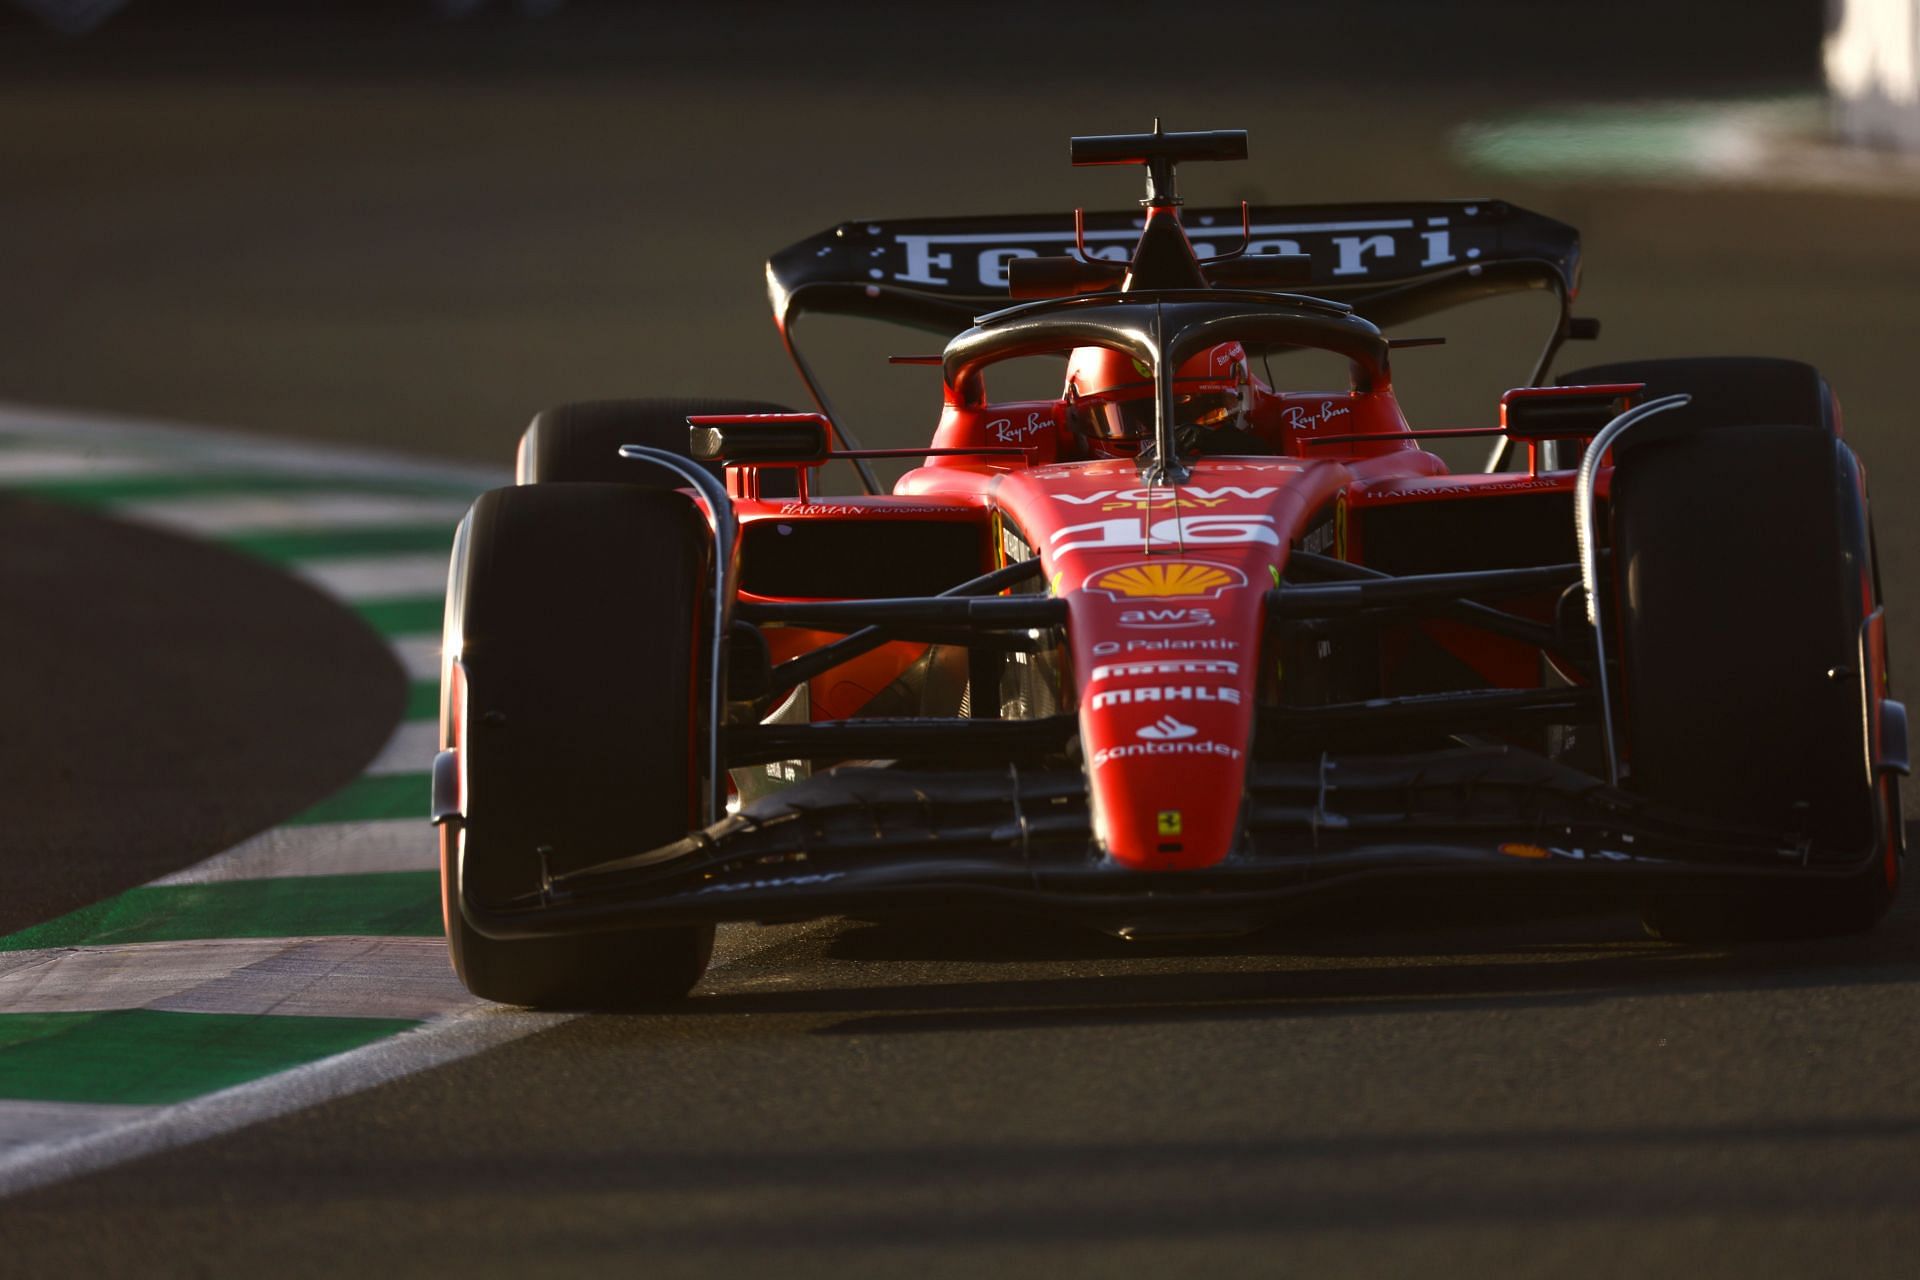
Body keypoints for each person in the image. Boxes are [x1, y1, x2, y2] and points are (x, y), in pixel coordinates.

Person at [1062, 340, 1276, 456]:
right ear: (1075, 416)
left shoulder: (1283, 422)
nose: (1168, 442)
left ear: (1243, 396)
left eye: (1203, 412)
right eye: (1128, 420)